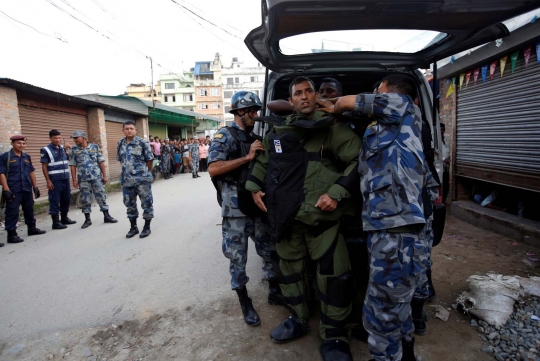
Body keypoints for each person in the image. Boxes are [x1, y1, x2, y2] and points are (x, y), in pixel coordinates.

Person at [322, 74, 438, 361]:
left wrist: (334, 106)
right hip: (388, 229)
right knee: (396, 305)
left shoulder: (403, 106)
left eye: (379, 88)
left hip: (396, 230)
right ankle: (406, 354)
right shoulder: (386, 128)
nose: (375, 91)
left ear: (390, 91)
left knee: (381, 314)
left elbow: (350, 101)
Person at [246, 77, 361, 360]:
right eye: (299, 93)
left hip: (323, 222)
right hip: (288, 220)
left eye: (309, 90)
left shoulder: (333, 129)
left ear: (316, 96)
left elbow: (360, 159)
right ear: (291, 100)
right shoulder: (278, 133)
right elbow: (263, 163)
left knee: (335, 279)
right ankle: (298, 319)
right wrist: (254, 188)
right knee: (290, 275)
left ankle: (334, 336)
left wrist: (336, 192)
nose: (305, 96)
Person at [208, 90, 284, 328]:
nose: (255, 115)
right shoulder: (225, 135)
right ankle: (244, 301)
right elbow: (214, 169)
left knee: (268, 249)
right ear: (240, 112)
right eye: (252, 111)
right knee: (237, 258)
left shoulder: (254, 135)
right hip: (235, 210)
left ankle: (274, 290)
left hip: (255, 205)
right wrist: (247, 158)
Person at [0, 135, 46, 245]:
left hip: (26, 188)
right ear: (12, 144)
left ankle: (32, 229)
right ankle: (11, 235)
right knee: (12, 212)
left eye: (23, 143)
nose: (22, 145)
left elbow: (31, 172)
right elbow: (1, 173)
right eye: (19, 143)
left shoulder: (26, 156)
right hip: (13, 189)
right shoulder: (5, 157)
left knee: (29, 209)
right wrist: (6, 190)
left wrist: (35, 187)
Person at [69, 130, 117, 229]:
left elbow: (101, 162)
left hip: (96, 177)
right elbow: (73, 165)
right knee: (85, 198)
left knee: (101, 196)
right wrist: (74, 179)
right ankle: (87, 219)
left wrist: (104, 175)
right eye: (73, 138)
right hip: (83, 179)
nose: (74, 140)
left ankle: (106, 216)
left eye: (76, 137)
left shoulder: (94, 147)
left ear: (83, 137)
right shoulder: (74, 150)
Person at [117, 121, 154, 238]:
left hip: (142, 179)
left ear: (136, 130)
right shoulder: (120, 143)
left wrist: (146, 173)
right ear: (123, 130)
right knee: (129, 204)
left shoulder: (142, 143)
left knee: (146, 203)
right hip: (127, 181)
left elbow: (150, 159)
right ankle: (133, 227)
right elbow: (121, 160)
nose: (129, 130)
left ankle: (147, 226)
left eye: (131, 128)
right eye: (126, 128)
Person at [40, 129, 76, 230]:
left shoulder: (63, 148)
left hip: (65, 178)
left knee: (66, 198)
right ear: (50, 138)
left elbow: (69, 159)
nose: (58, 140)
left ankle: (64, 218)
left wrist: (69, 149)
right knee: (55, 200)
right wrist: (48, 181)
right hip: (55, 179)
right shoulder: (46, 150)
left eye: (59, 138)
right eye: (55, 138)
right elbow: (44, 166)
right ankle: (55, 222)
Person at [441, 123, 450, 203]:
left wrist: (449, 158)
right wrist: (443, 159)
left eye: (443, 129)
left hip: (447, 167)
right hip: (439, 167)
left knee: (447, 186)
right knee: (441, 184)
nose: (442, 131)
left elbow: (449, 151)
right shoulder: (434, 140)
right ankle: (440, 201)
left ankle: (443, 201)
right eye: (440, 129)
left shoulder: (447, 140)